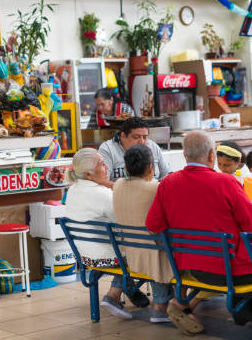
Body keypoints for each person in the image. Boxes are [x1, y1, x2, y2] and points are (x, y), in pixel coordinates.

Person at [146, 131, 252, 339]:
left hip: (193, 270)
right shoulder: (226, 183)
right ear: (211, 156)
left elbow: (153, 224)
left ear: (185, 156)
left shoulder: (168, 184)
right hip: (232, 269)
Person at [64, 148, 147, 318]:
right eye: (102, 164)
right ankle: (115, 294)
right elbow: (127, 222)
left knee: (127, 246)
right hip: (108, 258)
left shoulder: (72, 190)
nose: (107, 167)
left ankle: (130, 291)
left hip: (85, 256)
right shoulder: (102, 195)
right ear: (88, 174)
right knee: (146, 246)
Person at [113, 145, 175, 324]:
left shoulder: (118, 185)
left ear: (126, 168)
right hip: (156, 254)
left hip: (130, 252)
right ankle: (161, 307)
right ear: (150, 168)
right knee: (163, 248)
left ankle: (160, 307)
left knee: (155, 247)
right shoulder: (157, 188)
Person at [98, 117, 170, 186]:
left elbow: (166, 175)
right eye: (136, 137)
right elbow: (102, 181)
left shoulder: (153, 146)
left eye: (145, 137)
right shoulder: (107, 149)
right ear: (123, 136)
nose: (142, 142)